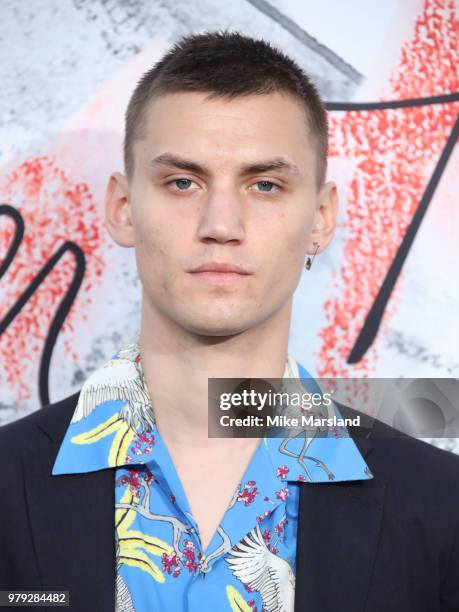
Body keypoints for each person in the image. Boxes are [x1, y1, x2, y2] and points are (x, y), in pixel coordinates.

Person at [0, 30, 458, 612]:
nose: (221, 223)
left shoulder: (442, 509)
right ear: (123, 209)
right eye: (183, 182)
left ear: (319, 219)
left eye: (264, 185)